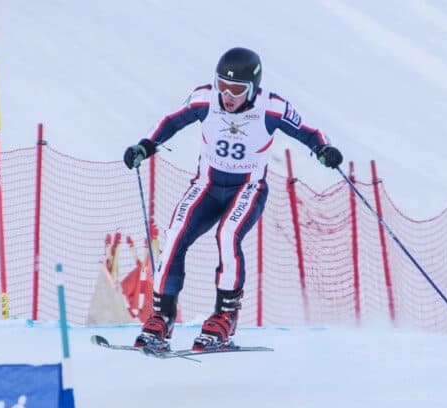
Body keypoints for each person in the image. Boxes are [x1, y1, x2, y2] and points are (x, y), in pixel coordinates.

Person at [122, 47, 342, 351]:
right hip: (207, 186)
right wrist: (144, 146)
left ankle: (225, 316)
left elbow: (307, 131)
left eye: (236, 89)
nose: (227, 95)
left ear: (252, 89)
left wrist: (323, 149)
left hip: (247, 188)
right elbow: (171, 121)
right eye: (221, 86)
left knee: (227, 236)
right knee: (174, 237)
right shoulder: (204, 99)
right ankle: (162, 316)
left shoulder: (271, 107)